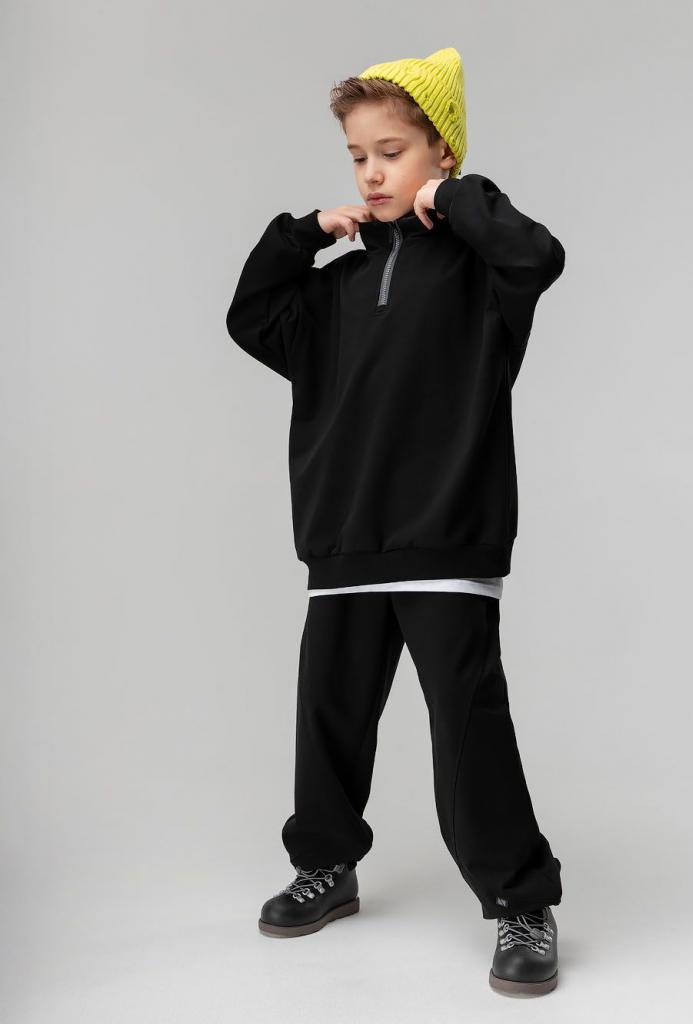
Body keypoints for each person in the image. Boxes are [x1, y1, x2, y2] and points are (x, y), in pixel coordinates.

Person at [225, 46, 565, 997]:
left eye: (391, 152)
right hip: (344, 541)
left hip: (446, 536)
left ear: (439, 152)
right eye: (356, 157)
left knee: (466, 729)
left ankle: (519, 901)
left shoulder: (481, 276)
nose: (371, 174)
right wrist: (302, 236)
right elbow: (249, 316)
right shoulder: (332, 292)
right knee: (329, 717)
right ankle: (325, 867)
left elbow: (538, 253)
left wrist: (455, 200)